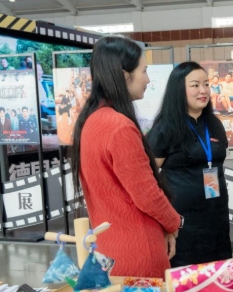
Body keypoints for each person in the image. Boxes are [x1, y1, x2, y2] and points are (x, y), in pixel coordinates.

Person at [70, 35, 182, 278]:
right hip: (138, 251)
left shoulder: (91, 121)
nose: (148, 79)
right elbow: (147, 194)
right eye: (144, 71)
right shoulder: (120, 127)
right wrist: (175, 223)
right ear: (124, 75)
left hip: (107, 249)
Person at [148, 62, 232, 266]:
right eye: (195, 85)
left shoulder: (214, 124)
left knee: (219, 274)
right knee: (188, 278)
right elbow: (147, 177)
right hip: (182, 222)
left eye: (206, 84)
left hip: (216, 217)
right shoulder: (165, 127)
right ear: (179, 89)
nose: (203, 90)